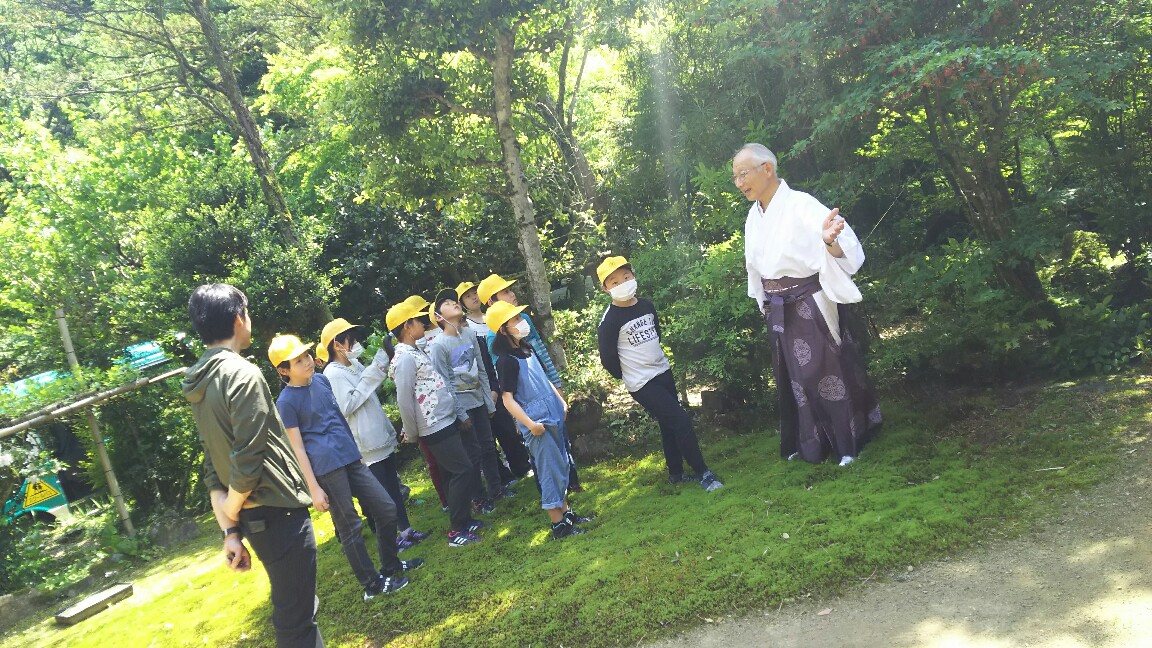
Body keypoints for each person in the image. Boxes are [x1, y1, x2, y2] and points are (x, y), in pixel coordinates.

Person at [181, 283, 323, 647]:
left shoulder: (201, 380)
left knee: (297, 610)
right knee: (295, 620)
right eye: (247, 312)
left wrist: (230, 529)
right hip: (277, 511)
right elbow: (248, 452)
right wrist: (230, 508)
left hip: (255, 517)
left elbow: (213, 454)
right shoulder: (241, 373)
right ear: (237, 319)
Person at [733, 143, 882, 465]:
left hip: (809, 299)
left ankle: (847, 442)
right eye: (735, 177)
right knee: (793, 376)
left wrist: (829, 241)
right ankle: (811, 444)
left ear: (767, 169)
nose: (739, 183)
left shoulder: (801, 204)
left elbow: (839, 242)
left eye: (743, 174)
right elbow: (754, 265)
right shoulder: (753, 217)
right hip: (777, 305)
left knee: (827, 369)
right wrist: (763, 299)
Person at [268, 335, 422, 601]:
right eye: (298, 361)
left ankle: (391, 565)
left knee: (386, 508)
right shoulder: (286, 402)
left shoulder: (321, 380)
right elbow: (297, 448)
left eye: (306, 356)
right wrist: (314, 488)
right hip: (326, 468)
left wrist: (356, 452)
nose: (307, 362)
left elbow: (338, 418)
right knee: (350, 526)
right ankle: (372, 585)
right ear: (284, 371)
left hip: (351, 457)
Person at [595, 256, 724, 491]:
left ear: (633, 276)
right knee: (681, 420)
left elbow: (657, 334)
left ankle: (676, 474)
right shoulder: (609, 321)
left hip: (663, 371)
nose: (622, 283)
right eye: (614, 282)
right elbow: (608, 360)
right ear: (605, 288)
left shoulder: (646, 305)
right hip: (642, 383)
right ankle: (704, 473)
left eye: (626, 277)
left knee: (669, 424)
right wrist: (629, 374)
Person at [318, 317, 428, 551]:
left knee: (393, 488)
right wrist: (371, 375)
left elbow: (370, 384)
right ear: (337, 345)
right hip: (366, 446)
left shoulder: (353, 365)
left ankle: (406, 531)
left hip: (379, 436)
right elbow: (347, 405)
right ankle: (390, 542)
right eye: (351, 339)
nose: (356, 343)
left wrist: (381, 359)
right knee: (380, 497)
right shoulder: (333, 374)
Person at [387, 297, 488, 547]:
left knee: (456, 472)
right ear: (407, 326)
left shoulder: (414, 351)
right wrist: (412, 432)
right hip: (433, 426)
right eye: (418, 320)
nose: (423, 323)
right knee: (462, 470)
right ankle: (456, 531)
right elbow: (404, 399)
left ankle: (465, 520)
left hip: (443, 419)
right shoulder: (404, 358)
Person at [487, 301, 593, 540]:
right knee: (548, 471)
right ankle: (559, 526)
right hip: (538, 423)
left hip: (553, 413)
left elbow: (545, 380)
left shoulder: (527, 349)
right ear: (503, 330)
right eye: (515, 320)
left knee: (561, 465)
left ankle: (567, 514)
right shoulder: (505, 361)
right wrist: (530, 424)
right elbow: (507, 400)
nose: (521, 322)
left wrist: (560, 401)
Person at [478, 273, 582, 492]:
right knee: (542, 451)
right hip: (530, 407)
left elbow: (541, 353)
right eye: (505, 292)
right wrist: (520, 418)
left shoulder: (525, 321)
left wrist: (555, 383)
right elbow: (506, 380)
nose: (512, 294)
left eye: (510, 290)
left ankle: (571, 482)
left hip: (547, 391)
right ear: (491, 302)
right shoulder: (494, 337)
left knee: (562, 440)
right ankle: (551, 494)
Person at [430, 289, 508, 506]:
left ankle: (497, 489)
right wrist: (460, 414)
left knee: (489, 447)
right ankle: (479, 498)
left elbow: (481, 369)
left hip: (479, 400)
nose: (454, 303)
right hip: (462, 407)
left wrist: (488, 402)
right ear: (438, 317)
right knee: (472, 453)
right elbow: (444, 383)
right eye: (447, 303)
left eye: (454, 301)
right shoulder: (438, 345)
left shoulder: (469, 334)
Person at [458, 281, 533, 484]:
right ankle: (501, 477)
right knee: (487, 438)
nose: (474, 297)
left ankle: (521, 465)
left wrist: (493, 386)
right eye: (467, 296)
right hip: (480, 388)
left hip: (498, 381)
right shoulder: (467, 329)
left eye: (475, 293)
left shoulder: (491, 318)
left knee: (507, 429)